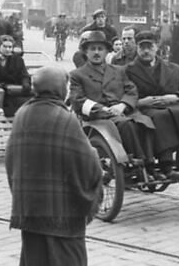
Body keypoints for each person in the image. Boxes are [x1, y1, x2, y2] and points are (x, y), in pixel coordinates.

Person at [6, 65, 102, 266]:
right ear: (60, 88)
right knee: (70, 256)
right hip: (61, 206)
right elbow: (84, 158)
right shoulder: (65, 117)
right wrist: (94, 156)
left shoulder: (22, 113)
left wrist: (18, 192)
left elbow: (11, 158)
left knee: (30, 253)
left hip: (29, 203)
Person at [69, 31, 162, 180]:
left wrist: (123, 105)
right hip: (98, 117)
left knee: (146, 121)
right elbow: (77, 99)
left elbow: (131, 89)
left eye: (100, 49)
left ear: (106, 51)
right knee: (126, 124)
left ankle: (150, 164)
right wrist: (102, 108)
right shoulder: (78, 74)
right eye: (93, 49)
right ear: (86, 52)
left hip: (121, 110)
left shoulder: (118, 70)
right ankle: (137, 162)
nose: (97, 53)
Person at [125, 31, 179, 179]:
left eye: (150, 47)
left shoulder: (173, 68)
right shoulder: (128, 70)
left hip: (172, 104)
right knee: (160, 117)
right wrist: (141, 102)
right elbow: (125, 94)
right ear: (137, 49)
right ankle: (166, 164)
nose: (146, 51)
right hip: (146, 109)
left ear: (157, 47)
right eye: (142, 48)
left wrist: (173, 97)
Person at [0, 35, 32, 117]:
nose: (8, 49)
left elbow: (24, 75)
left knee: (30, 100)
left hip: (15, 93)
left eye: (10, 47)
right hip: (0, 96)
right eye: (5, 46)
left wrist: (25, 84)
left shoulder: (18, 61)